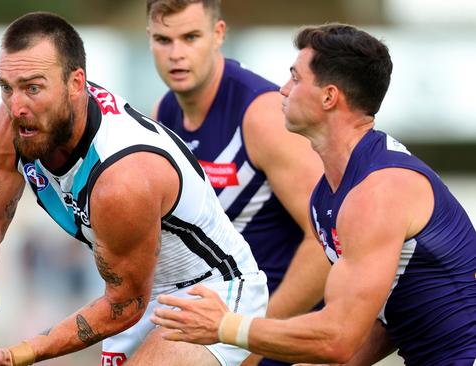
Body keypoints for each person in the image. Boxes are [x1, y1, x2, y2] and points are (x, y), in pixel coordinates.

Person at [0, 11, 269, 366]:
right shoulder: (14, 125)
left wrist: (16, 355)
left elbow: (123, 304)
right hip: (136, 294)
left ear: (75, 83)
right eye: (6, 87)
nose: (16, 106)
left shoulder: (122, 177)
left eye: (33, 87)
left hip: (210, 291)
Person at [150, 23, 476, 365]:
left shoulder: (377, 191)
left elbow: (336, 337)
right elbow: (385, 323)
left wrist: (225, 327)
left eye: (295, 78)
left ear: (329, 96)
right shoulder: (329, 191)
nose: (282, 89)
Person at [146, 1, 330, 364]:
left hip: (279, 329)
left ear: (218, 34)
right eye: (163, 40)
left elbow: (327, 241)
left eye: (190, 37)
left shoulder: (262, 116)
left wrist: (254, 340)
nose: (177, 54)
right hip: (212, 322)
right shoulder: (163, 113)